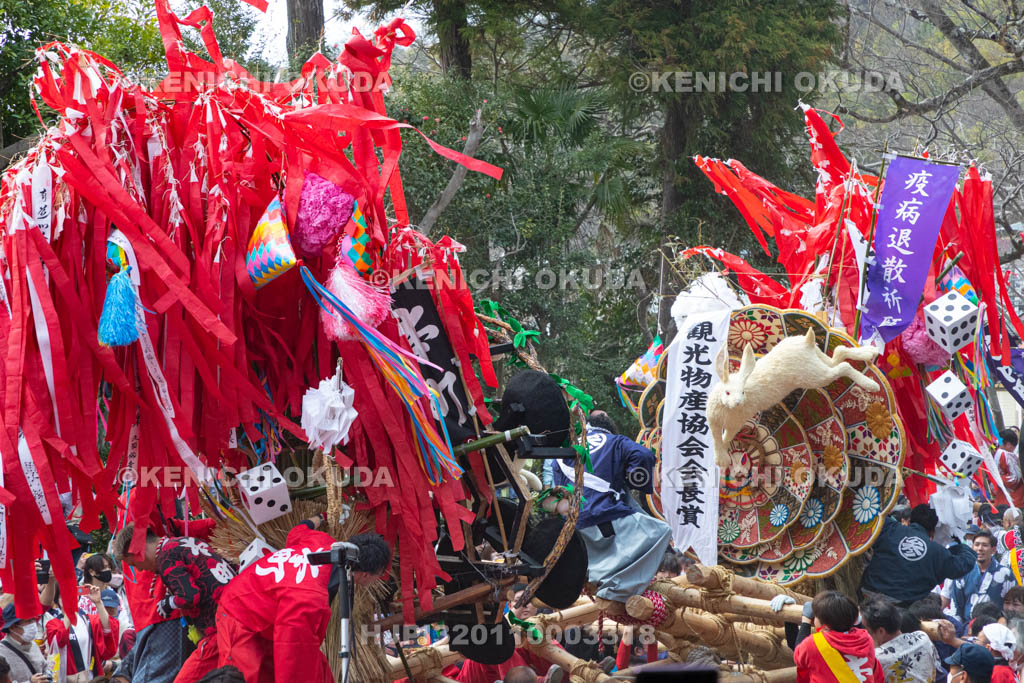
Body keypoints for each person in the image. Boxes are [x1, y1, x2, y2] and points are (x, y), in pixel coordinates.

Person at [215, 516, 390, 683]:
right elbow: (291, 654)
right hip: (240, 612)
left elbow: (297, 531)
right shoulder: (309, 599)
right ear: (366, 574)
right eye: (380, 575)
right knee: (244, 676)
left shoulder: (322, 541)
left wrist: (319, 518)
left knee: (320, 673)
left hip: (268, 613)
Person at [551, 410, 671, 605]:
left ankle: (597, 577)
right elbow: (644, 454)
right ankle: (619, 589)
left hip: (574, 529)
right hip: (607, 516)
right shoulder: (616, 441)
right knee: (661, 532)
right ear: (610, 428)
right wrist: (633, 479)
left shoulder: (565, 450)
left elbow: (559, 493)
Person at [861, 504, 977, 606]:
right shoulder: (939, 553)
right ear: (933, 530)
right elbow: (966, 561)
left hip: (867, 595)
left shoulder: (891, 529)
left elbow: (869, 512)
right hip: (899, 608)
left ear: (910, 519)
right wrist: (954, 541)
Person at [794, 591, 883, 683]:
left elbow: (798, 655)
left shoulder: (814, 643)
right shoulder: (866, 638)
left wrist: (805, 621)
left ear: (824, 623)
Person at [43, 585, 119, 682]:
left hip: (91, 678)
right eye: (63, 596)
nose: (68, 598)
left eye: (72, 594)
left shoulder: (88, 620)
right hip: (66, 679)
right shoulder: (53, 624)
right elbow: (60, 641)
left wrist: (98, 603)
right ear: (56, 601)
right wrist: (69, 610)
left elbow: (109, 629)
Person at [861, 600, 939, 683]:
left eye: (866, 629)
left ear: (881, 631)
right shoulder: (922, 637)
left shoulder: (878, 659)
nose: (864, 633)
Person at [945, 531, 1016, 622]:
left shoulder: (1006, 573)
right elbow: (956, 606)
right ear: (972, 548)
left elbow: (1013, 604)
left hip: (996, 626)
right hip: (968, 627)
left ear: (993, 550)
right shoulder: (963, 573)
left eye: (984, 545)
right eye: (977, 545)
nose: (980, 548)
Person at [0, 602, 47, 683]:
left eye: (33, 619)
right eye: (28, 621)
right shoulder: (1, 653)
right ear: (13, 627)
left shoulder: (33, 645)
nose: (33, 624)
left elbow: (44, 669)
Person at [996, 430, 1024, 508]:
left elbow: (1015, 478)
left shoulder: (1008, 456)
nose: (998, 446)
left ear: (1008, 445)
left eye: (1000, 443)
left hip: (1015, 501)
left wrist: (997, 479)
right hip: (1006, 500)